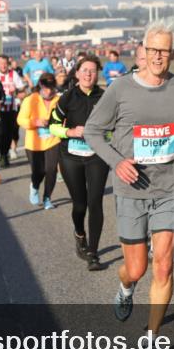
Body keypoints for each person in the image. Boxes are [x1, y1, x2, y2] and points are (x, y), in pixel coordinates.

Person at [83, 21, 174, 349]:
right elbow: (93, 132)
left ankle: (153, 337)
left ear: (173, 53)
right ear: (142, 52)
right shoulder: (120, 90)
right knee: (137, 268)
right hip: (131, 190)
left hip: (170, 187)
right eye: (154, 50)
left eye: (166, 51)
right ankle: (126, 287)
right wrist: (117, 163)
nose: (159, 57)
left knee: (163, 266)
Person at [49, 55, 108, 271]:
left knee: (95, 203)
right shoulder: (66, 98)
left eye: (93, 70)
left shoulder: (105, 97)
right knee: (80, 204)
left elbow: (115, 127)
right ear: (76, 73)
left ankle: (93, 252)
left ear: (97, 74)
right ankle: (79, 233)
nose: (88, 74)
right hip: (70, 156)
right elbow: (52, 126)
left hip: (96, 156)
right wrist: (71, 131)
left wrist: (102, 136)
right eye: (84, 70)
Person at [18, 72, 61, 209]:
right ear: (41, 85)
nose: (49, 91)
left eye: (51, 87)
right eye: (46, 87)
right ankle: (35, 185)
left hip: (53, 141)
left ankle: (47, 198)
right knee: (39, 171)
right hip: (34, 143)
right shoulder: (30, 99)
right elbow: (20, 120)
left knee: (51, 170)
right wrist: (35, 121)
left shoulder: (59, 100)